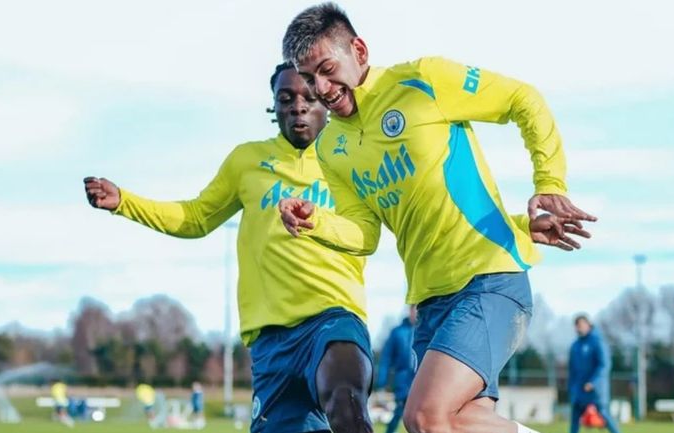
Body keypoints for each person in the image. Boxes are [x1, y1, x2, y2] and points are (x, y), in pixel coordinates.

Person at [278, 4, 596, 433]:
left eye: (328, 68)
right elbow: (364, 232)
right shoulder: (331, 147)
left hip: (490, 280)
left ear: (359, 49)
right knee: (465, 421)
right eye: (308, 76)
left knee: (424, 416)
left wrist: (550, 181)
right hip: (429, 304)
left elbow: (524, 99)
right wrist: (318, 220)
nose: (321, 88)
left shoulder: (422, 81)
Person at [84, 63, 375, 433]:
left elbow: (370, 233)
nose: (298, 107)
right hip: (272, 342)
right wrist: (125, 201)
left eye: (309, 97)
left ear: (326, 101)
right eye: (285, 99)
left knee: (346, 399)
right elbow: (195, 218)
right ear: (274, 108)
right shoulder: (247, 161)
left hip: (333, 319)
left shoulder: (351, 157)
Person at [568, 315, 620, 433]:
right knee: (575, 418)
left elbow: (604, 365)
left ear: (588, 325)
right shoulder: (575, 345)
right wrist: (571, 387)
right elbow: (572, 369)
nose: (578, 328)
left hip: (596, 390)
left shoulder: (598, 342)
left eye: (581, 325)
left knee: (604, 414)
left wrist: (593, 382)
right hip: (579, 390)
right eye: (576, 325)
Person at [376, 306, 417, 433]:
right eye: (414, 309)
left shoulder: (427, 330)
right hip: (403, 381)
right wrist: (381, 382)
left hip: (422, 379)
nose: (416, 312)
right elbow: (386, 358)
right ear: (410, 310)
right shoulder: (397, 332)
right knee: (399, 411)